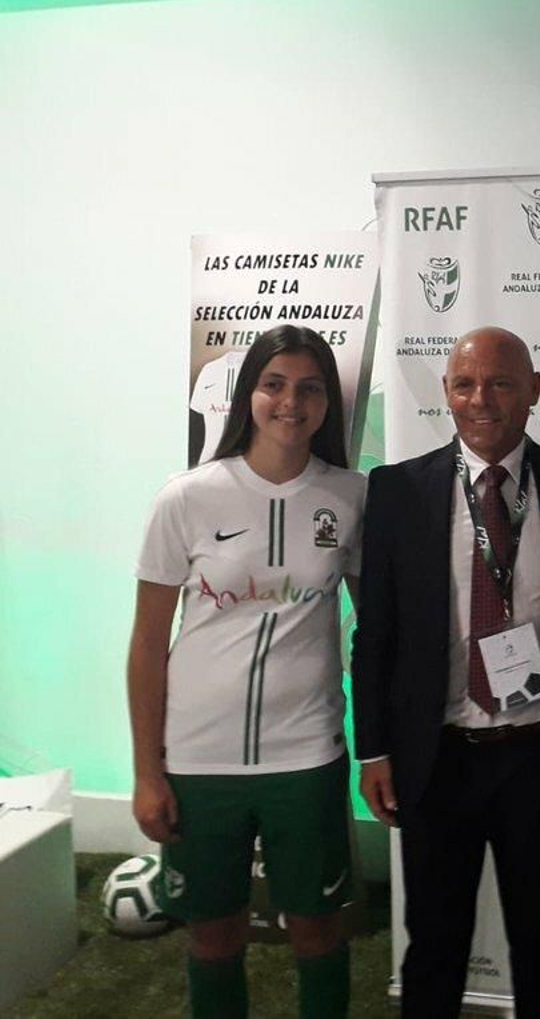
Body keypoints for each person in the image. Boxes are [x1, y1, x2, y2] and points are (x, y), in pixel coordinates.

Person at [351, 327, 540, 1018]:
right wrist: (372, 748)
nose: (481, 399)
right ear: (446, 394)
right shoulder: (399, 490)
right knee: (434, 944)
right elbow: (375, 632)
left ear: (533, 392)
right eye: (464, 384)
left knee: (539, 938)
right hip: (437, 760)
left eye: (499, 383)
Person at [129, 324, 364, 1018]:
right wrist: (148, 771)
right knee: (214, 933)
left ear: (328, 404)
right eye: (274, 384)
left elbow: (378, 629)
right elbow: (147, 643)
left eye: (310, 388)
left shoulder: (352, 497)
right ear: (247, 395)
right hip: (201, 761)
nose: (291, 402)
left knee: (319, 929)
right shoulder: (186, 497)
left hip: (307, 754)